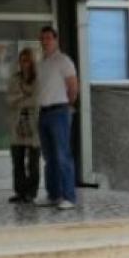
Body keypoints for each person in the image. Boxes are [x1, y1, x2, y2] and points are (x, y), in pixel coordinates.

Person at [35, 26, 78, 211]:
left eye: (48, 38)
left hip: (59, 112)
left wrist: (67, 106)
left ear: (56, 39)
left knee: (62, 156)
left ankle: (69, 197)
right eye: (42, 38)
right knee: (49, 158)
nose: (45, 41)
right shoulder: (41, 63)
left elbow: (73, 87)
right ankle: (53, 195)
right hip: (43, 113)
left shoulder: (63, 60)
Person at [7, 48, 40, 203]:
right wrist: (25, 97)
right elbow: (10, 99)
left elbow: (37, 100)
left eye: (26, 60)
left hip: (34, 125)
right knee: (17, 160)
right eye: (21, 60)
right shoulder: (14, 79)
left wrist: (20, 98)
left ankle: (31, 193)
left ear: (32, 62)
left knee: (33, 162)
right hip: (17, 124)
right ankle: (20, 192)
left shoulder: (38, 79)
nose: (23, 64)